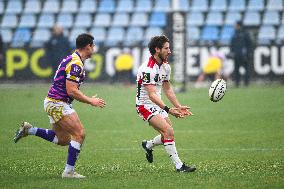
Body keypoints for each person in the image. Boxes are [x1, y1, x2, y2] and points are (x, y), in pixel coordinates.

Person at [14, 33, 106, 179]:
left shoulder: (72, 59)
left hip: (53, 102)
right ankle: (68, 172)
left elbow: (70, 88)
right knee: (79, 134)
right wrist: (90, 101)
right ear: (88, 46)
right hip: (58, 103)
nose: (94, 48)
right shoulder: (76, 63)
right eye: (93, 45)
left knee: (63, 139)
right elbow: (71, 91)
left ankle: (30, 130)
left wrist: (87, 98)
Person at [136, 35, 196, 173]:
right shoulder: (147, 68)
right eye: (166, 48)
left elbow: (167, 88)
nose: (170, 51)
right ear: (157, 49)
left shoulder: (166, 67)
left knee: (167, 135)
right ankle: (179, 166)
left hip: (158, 103)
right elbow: (151, 94)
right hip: (144, 105)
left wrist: (179, 106)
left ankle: (148, 145)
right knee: (168, 131)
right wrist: (169, 109)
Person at [230, 21, 253, 87]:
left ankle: (246, 83)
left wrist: (248, 53)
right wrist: (232, 52)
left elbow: (249, 44)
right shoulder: (235, 33)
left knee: (247, 69)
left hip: (244, 55)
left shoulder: (246, 34)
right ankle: (237, 83)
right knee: (236, 70)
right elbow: (232, 44)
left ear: (239, 25)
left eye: (236, 25)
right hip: (236, 55)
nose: (234, 26)